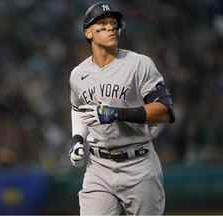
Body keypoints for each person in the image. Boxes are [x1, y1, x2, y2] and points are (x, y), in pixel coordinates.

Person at [69, 1, 175, 215]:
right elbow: (78, 109)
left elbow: (164, 111)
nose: (110, 27)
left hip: (138, 164)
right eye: (103, 23)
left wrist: (116, 113)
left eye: (113, 23)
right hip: (98, 167)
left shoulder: (139, 64)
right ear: (88, 32)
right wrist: (77, 139)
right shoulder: (78, 74)